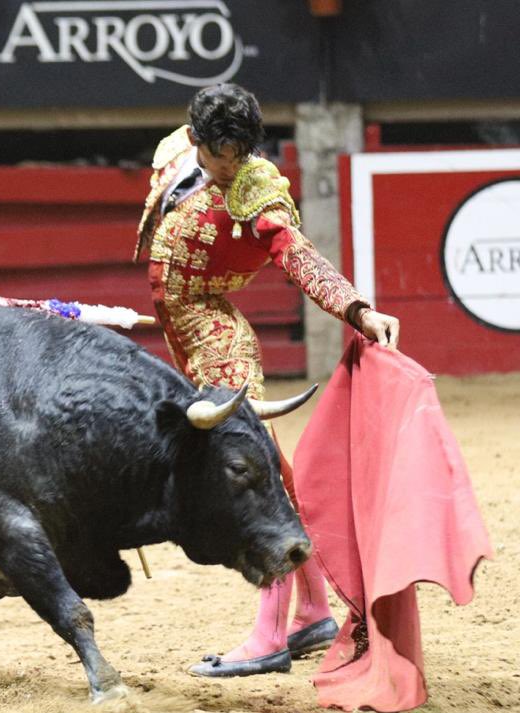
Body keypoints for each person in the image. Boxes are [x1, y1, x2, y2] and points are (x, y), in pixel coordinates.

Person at [134, 83, 400, 677]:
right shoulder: (181, 151)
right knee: (272, 473)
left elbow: (300, 257)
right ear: (197, 138)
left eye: (239, 154)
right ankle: (311, 610)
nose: (228, 166)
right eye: (217, 153)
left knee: (253, 480)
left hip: (218, 341)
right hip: (188, 337)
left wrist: (358, 309)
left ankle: (268, 635)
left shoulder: (259, 193)